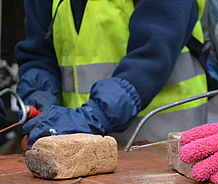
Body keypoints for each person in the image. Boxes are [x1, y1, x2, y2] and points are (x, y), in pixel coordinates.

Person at [15, 0, 208, 150]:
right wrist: (39, 98)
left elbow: (153, 52)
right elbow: (38, 53)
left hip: (162, 145)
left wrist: (94, 115)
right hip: (77, 149)